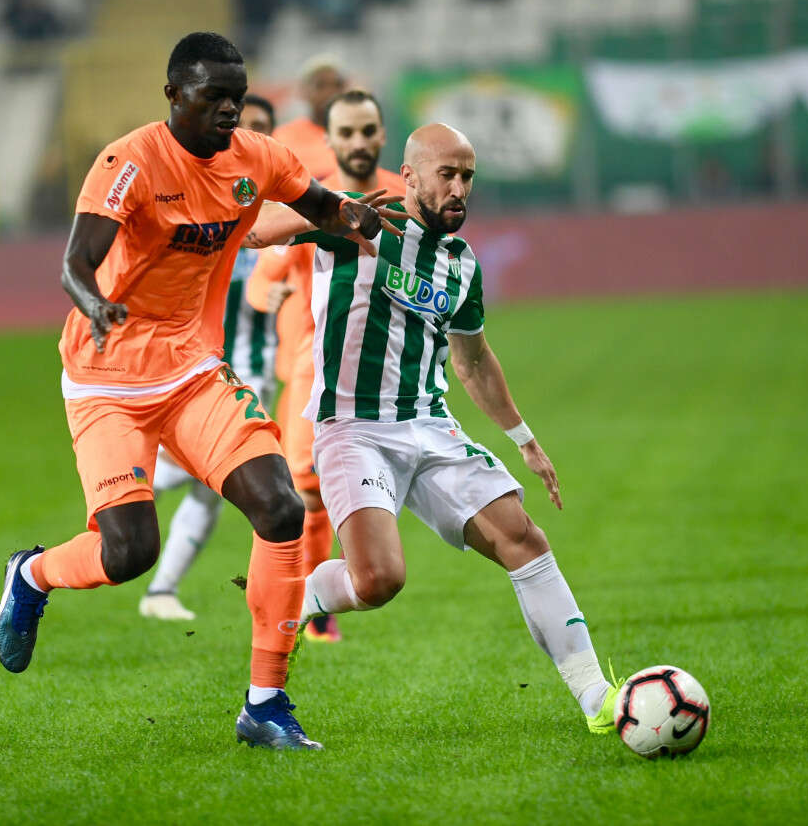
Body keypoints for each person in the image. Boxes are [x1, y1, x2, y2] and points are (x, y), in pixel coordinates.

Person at [0, 32, 394, 752]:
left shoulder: (257, 157)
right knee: (128, 552)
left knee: (279, 507)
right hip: (106, 379)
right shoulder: (129, 161)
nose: (229, 111)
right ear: (174, 95)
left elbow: (316, 201)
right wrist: (94, 302)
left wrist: (352, 216)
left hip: (192, 369)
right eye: (214, 98)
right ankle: (32, 574)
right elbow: (76, 262)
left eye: (237, 98)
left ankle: (265, 703)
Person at [244, 123, 623, 734]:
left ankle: (596, 699)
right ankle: (297, 595)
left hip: (430, 426)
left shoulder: (461, 263)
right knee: (378, 580)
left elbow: (473, 361)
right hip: (354, 429)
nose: (459, 189)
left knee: (523, 539)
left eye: (467, 176)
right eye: (446, 175)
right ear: (410, 176)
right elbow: (257, 229)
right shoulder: (355, 221)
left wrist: (524, 439)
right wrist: (334, 214)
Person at [246, 89, 405, 642]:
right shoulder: (316, 202)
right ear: (329, 139)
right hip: (314, 364)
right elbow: (266, 267)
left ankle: (336, 586)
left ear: (382, 134)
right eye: (347, 132)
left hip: (387, 370)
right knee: (307, 489)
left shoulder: (406, 197)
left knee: (373, 489)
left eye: (367, 131)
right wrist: (268, 291)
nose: (358, 142)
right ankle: (316, 606)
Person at [138, 94, 286, 622]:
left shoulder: (284, 212)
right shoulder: (208, 206)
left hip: (257, 372)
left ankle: (161, 590)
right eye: (247, 127)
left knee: (214, 487)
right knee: (205, 478)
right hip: (202, 370)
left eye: (264, 129)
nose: (250, 138)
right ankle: (122, 502)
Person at [272, 54, 347, 180]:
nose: (331, 92)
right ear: (304, 91)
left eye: (337, 85)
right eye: (321, 85)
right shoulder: (282, 137)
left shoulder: (359, 135)